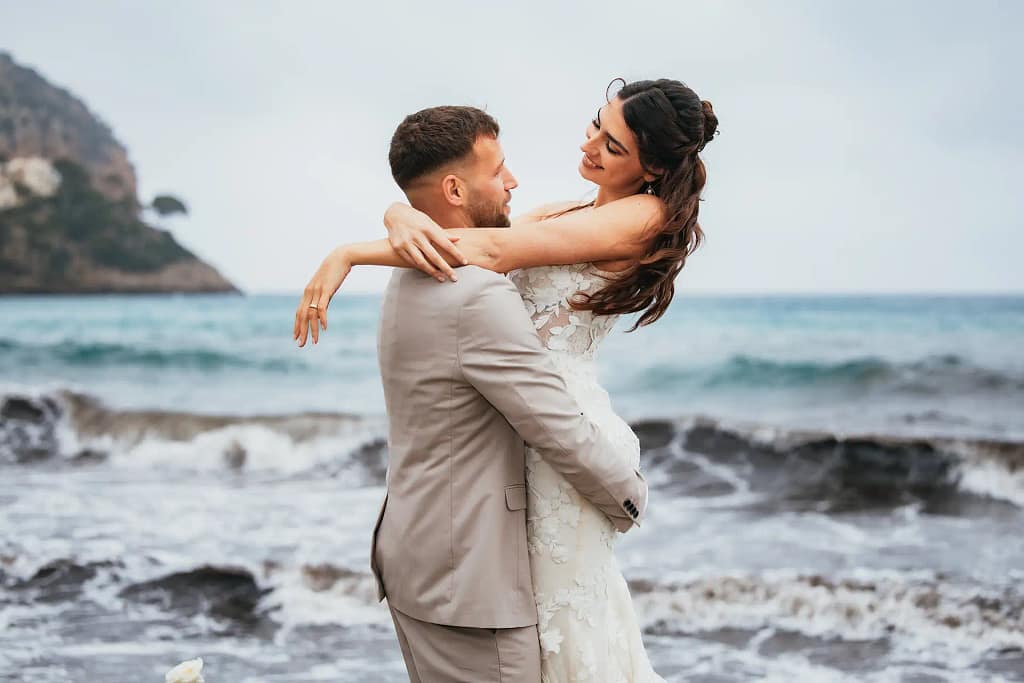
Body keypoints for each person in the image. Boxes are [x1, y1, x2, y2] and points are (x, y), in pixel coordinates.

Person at [296, 78, 717, 681]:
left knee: (568, 618)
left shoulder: (641, 216)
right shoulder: (573, 209)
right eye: (597, 124)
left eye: (613, 146)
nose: (592, 145)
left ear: (651, 167)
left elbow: (491, 252)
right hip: (526, 427)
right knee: (539, 621)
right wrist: (398, 213)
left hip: (565, 427)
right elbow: (466, 226)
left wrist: (351, 252)